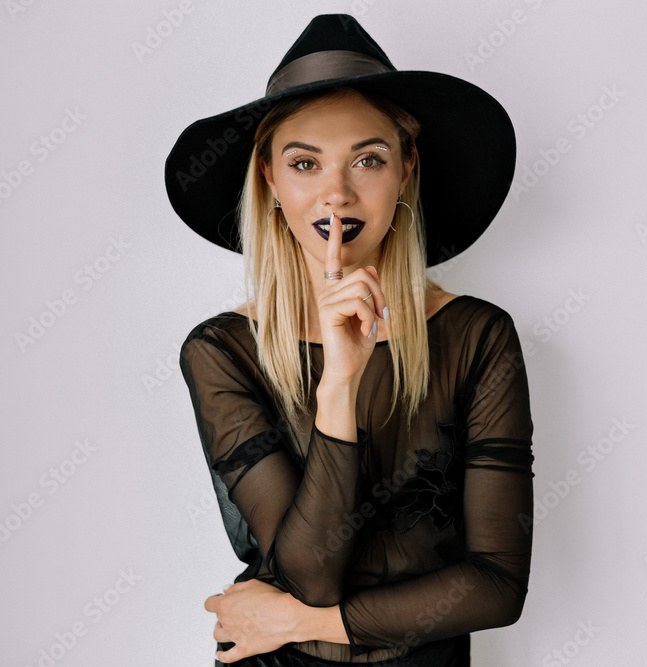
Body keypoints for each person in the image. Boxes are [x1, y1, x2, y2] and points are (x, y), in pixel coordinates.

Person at [166, 14, 534, 666]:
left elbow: (498, 586)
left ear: (406, 168)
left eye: (368, 159)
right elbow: (308, 573)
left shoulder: (479, 337)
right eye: (305, 163)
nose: (336, 193)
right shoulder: (223, 350)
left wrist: (303, 621)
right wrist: (338, 384)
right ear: (270, 179)